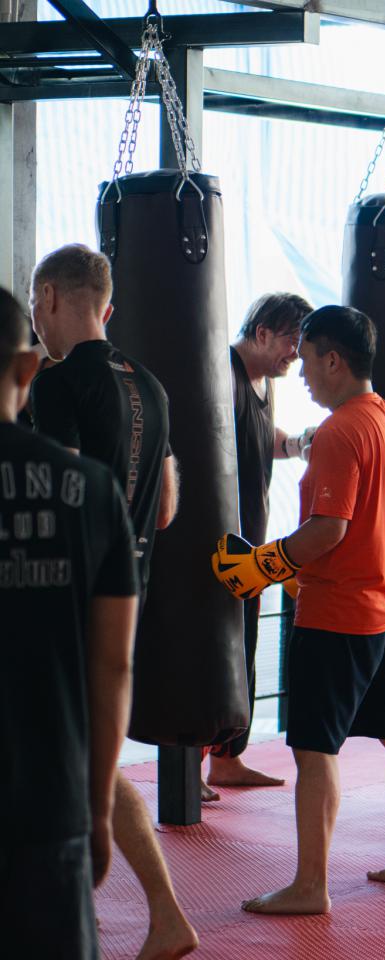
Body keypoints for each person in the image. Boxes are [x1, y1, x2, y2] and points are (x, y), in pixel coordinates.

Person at [218, 306, 385, 913]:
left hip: (338, 615)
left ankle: (310, 885)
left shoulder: (340, 432)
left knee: (315, 750)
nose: (302, 374)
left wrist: (263, 564)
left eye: (309, 360)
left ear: (334, 360)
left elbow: (328, 529)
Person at [27, 244, 196, 959]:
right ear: (109, 307)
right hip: (130, 590)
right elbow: (166, 509)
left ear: (50, 299)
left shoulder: (57, 385)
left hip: (65, 596)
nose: (36, 321)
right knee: (81, 750)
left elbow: (57, 496)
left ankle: (160, 913)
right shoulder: (151, 386)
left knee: (75, 753)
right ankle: (143, 912)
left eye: (35, 305)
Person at [0, 287, 139, 960]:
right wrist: (99, 808)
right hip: (48, 797)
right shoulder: (92, 490)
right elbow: (113, 665)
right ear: (28, 367)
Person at [206, 292, 315, 797]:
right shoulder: (221, 372)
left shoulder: (264, 380)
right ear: (263, 332)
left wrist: (294, 445)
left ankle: (227, 761)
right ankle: (188, 764)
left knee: (242, 649)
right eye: (293, 340)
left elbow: (258, 435)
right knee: (208, 650)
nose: (298, 353)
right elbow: (204, 443)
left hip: (250, 540)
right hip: (217, 543)